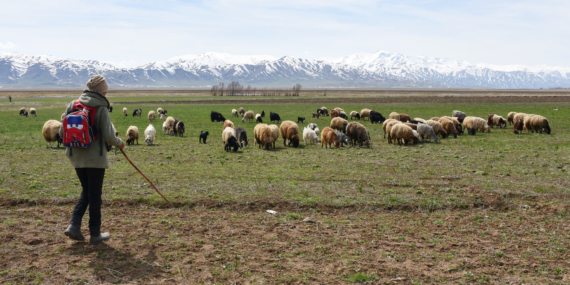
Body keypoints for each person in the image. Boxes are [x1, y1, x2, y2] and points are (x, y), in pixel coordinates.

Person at [60, 75, 125, 245]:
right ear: (102, 90)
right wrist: (120, 143)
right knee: (94, 195)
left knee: (87, 191)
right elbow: (110, 137)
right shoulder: (101, 107)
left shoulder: (73, 104)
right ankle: (95, 234)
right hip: (95, 159)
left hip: (75, 157)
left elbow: (61, 133)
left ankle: (74, 226)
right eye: (106, 89)